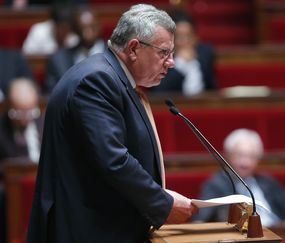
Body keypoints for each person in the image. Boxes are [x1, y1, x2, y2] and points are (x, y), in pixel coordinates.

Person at [26, 4, 197, 243]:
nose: (171, 62)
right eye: (164, 53)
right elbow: (114, 160)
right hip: (87, 231)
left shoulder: (113, 77)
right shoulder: (97, 80)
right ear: (134, 48)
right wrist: (163, 203)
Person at [193, 128, 285, 227]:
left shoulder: (267, 182)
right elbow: (200, 220)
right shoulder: (216, 184)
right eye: (240, 156)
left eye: (251, 157)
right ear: (228, 156)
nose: (245, 163)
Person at [151, 11, 216, 96]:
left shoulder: (205, 53)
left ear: (196, 38)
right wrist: (180, 63)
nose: (185, 41)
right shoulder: (162, 57)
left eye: (189, 36)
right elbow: (159, 92)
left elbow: (212, 88)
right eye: (180, 37)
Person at [44, 7, 106, 93]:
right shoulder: (59, 59)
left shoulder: (115, 54)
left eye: (92, 28)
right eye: (82, 29)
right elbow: (53, 92)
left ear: (99, 27)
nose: (87, 33)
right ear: (75, 30)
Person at [0, 77, 43, 163]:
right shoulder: (1, 130)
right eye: (18, 114)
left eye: (30, 113)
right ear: (8, 106)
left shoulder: (45, 124)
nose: (23, 120)